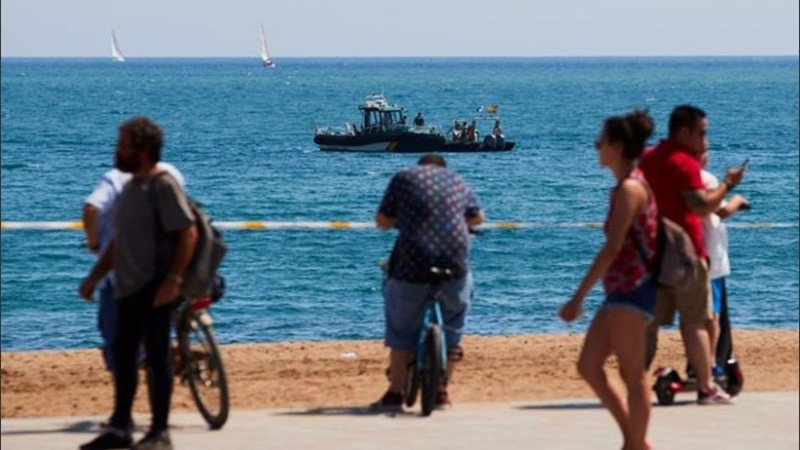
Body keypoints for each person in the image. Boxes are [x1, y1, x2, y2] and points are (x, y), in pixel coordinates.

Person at [78, 116, 198, 450]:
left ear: (142, 150)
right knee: (124, 358)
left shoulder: (162, 185)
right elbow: (119, 242)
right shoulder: (131, 186)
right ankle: (120, 427)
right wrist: (95, 276)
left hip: (154, 286)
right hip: (126, 287)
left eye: (123, 145)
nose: (117, 151)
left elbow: (187, 232)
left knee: (158, 360)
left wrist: (173, 280)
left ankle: (159, 432)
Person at [559, 110, 658, 450]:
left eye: (600, 142)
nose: (596, 147)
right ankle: (635, 441)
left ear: (616, 146)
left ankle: (634, 444)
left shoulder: (630, 188)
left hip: (634, 289)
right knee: (589, 365)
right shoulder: (622, 188)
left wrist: (578, 298)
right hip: (619, 291)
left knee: (633, 374)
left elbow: (612, 247)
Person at [639, 104, 745, 405]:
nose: (704, 140)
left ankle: (635, 380)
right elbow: (702, 206)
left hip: (654, 253)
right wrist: (728, 184)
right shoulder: (684, 164)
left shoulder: (648, 158)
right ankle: (707, 386)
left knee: (648, 324)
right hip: (686, 253)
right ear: (684, 132)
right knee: (696, 322)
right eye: (701, 133)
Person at [371, 153, 484, 412]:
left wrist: (403, 221)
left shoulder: (403, 178)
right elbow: (478, 217)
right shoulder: (456, 180)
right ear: (443, 168)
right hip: (454, 264)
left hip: (413, 262)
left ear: (420, 167)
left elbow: (382, 221)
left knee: (401, 328)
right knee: (453, 323)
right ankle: (441, 392)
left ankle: (395, 394)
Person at [82, 162, 184, 430]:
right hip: (164, 270)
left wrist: (94, 246)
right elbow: (187, 226)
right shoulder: (171, 174)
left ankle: (124, 417)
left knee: (120, 347)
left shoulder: (116, 180)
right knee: (156, 347)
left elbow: (91, 209)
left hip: (124, 279)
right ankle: (156, 420)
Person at [695, 150, 749, 379]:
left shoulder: (680, 179)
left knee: (699, 315)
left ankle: (701, 362)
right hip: (711, 257)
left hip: (691, 255)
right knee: (714, 314)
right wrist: (738, 200)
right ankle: (712, 365)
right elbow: (722, 210)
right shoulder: (705, 179)